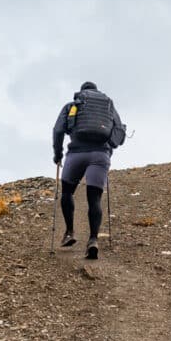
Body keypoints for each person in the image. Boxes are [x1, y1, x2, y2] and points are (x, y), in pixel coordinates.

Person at [52, 81, 125, 259]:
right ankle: (93, 240)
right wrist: (109, 149)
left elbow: (58, 130)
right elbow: (118, 130)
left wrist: (58, 154)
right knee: (94, 199)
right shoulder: (107, 105)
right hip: (100, 155)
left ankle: (69, 232)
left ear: (81, 91)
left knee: (67, 192)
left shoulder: (72, 105)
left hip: (76, 154)